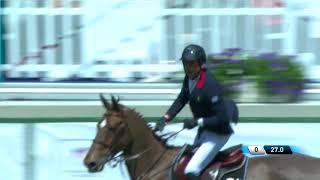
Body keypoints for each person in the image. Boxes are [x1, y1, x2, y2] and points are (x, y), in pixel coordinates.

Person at [155, 44, 239, 179]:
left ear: (201, 64)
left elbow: (222, 119)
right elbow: (181, 99)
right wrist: (165, 118)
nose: (188, 68)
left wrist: (196, 122)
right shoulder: (188, 78)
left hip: (218, 133)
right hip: (204, 131)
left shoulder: (210, 85)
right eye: (185, 64)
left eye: (192, 64)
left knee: (191, 170)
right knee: (182, 163)